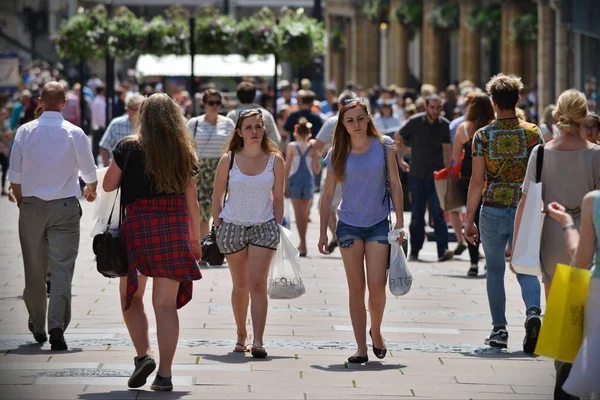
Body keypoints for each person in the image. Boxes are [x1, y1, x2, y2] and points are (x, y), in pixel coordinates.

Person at [102, 93, 202, 392]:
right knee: (165, 305)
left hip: (140, 226)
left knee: (131, 296)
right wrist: (195, 240)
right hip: (173, 227)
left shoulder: (129, 147)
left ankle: (143, 354)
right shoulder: (184, 151)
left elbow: (108, 184)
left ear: (142, 116)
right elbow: (193, 204)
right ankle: (165, 375)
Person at [512, 89, 600, 397]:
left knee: (559, 309)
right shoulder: (596, 154)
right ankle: (580, 371)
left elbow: (525, 201)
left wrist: (515, 244)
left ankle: (564, 370)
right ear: (584, 114)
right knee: (587, 310)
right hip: (588, 235)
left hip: (550, 235)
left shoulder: (542, 152)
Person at [7, 81, 98, 351]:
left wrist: (23, 201)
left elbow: (15, 176)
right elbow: (89, 173)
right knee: (62, 268)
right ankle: (56, 324)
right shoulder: (75, 133)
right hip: (65, 207)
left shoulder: (25, 131)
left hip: (33, 206)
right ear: (63, 103)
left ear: (40, 101)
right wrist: (90, 190)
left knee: (33, 268)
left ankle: (37, 323)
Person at [318, 98, 405, 363]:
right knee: (356, 288)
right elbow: (328, 193)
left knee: (377, 287)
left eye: (359, 118)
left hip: (379, 222)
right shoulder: (337, 153)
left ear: (368, 118)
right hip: (348, 226)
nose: (355, 125)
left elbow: (395, 182)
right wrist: (323, 231)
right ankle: (361, 348)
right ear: (342, 125)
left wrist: (400, 222)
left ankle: (375, 332)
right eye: (349, 120)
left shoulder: (384, 147)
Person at [463, 73, 542, 353]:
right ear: (517, 99)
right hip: (525, 208)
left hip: (493, 207)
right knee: (525, 264)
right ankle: (533, 312)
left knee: (494, 271)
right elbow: (540, 177)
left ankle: (499, 330)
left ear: (494, 102)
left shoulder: (482, 136)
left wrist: (468, 219)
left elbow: (476, 181)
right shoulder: (533, 133)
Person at [212, 109, 284, 359]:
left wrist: (277, 225)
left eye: (258, 126)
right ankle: (241, 333)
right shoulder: (228, 159)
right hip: (232, 226)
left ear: (264, 129)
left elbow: (278, 197)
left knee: (257, 283)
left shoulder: (275, 159)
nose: (254, 131)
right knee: (240, 285)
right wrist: (218, 225)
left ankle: (259, 341)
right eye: (249, 127)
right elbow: (217, 195)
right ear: (239, 132)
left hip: (264, 226)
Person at [547, 193, 600, 399]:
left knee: (594, 364)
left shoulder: (593, 201)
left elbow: (581, 259)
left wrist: (567, 222)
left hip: (598, 288)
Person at [399, 94, 454, 262]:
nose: (436, 111)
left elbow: (447, 150)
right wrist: (402, 158)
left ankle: (443, 249)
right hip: (417, 175)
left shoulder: (444, 125)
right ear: (426, 106)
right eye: (433, 107)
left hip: (437, 177)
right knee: (417, 214)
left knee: (438, 213)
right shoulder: (415, 122)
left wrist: (448, 173)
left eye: (439, 108)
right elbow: (397, 138)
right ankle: (415, 249)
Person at [452, 93, 495, 276]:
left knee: (471, 219)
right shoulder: (493, 128)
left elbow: (455, 157)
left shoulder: (464, 128)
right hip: (490, 178)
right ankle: (489, 259)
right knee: (489, 219)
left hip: (467, 179)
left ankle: (473, 263)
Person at [187, 89, 235, 245]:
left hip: (220, 168)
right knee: (201, 211)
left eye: (218, 103)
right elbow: (188, 147)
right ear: (204, 104)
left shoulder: (228, 123)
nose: (215, 106)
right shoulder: (194, 123)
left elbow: (232, 148)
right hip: (200, 170)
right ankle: (203, 247)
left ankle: (219, 245)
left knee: (221, 210)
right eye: (211, 103)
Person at [314, 91, 358, 254]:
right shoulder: (361, 121)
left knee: (327, 205)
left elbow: (316, 145)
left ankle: (338, 236)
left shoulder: (333, 121)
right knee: (344, 205)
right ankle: (341, 236)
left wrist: (318, 161)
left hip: (339, 169)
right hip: (354, 170)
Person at [284, 117, 321, 256]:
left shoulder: (292, 147)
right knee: (304, 215)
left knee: (298, 215)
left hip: (295, 182)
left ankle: (303, 244)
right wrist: (316, 154)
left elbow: (287, 167)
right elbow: (316, 170)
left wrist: (284, 185)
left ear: (296, 132)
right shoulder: (313, 148)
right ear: (309, 132)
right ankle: (303, 243)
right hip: (308, 182)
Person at [226, 81, 281, 146]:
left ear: (237, 96)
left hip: (238, 155)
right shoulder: (266, 114)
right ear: (255, 96)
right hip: (262, 154)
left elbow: (227, 140)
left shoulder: (232, 115)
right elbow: (275, 140)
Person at [99, 94, 145, 167]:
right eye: (135, 110)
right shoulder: (116, 124)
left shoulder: (147, 126)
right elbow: (104, 148)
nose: (139, 113)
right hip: (119, 170)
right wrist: (108, 168)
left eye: (141, 110)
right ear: (127, 109)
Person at [90, 84, 107, 164]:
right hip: (99, 127)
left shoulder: (97, 100)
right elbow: (101, 115)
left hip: (97, 126)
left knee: (97, 147)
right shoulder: (99, 101)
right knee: (98, 147)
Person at [0, 107, 13, 195]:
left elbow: (10, 135)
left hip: (4, 150)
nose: (3, 116)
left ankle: (3, 188)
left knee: (5, 168)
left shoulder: (6, 124)